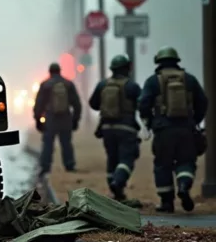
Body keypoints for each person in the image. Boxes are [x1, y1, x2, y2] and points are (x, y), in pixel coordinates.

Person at [138, 46, 208, 213]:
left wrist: (148, 123)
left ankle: (167, 202)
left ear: (159, 62)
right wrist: (195, 120)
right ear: (176, 61)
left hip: (163, 131)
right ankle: (184, 186)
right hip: (186, 130)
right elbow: (203, 102)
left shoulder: (153, 81)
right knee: (186, 161)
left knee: (163, 165)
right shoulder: (190, 80)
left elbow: (143, 104)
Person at [88, 54, 141, 200]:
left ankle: (115, 188)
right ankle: (118, 182)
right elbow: (142, 104)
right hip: (127, 129)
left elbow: (93, 104)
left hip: (107, 129)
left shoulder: (103, 84)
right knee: (127, 158)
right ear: (126, 69)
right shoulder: (132, 86)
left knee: (112, 158)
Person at [33, 62, 82, 177]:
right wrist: (75, 119)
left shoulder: (45, 85)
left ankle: (45, 167)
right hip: (66, 118)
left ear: (50, 72)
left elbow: (39, 104)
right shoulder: (68, 84)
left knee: (48, 144)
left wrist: (37, 120)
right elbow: (77, 104)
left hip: (51, 118)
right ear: (60, 71)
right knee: (66, 143)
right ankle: (69, 165)